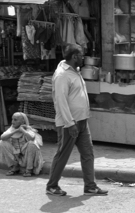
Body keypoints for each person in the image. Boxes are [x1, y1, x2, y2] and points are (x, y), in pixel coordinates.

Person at [46, 44, 108, 197]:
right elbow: (61, 101)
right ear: (74, 57)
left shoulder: (75, 71)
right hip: (69, 123)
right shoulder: (62, 75)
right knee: (63, 155)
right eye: (81, 55)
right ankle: (52, 185)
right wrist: (70, 123)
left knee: (88, 153)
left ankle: (90, 186)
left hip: (81, 121)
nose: (83, 58)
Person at [0, 112, 44, 177]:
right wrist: (16, 131)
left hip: (26, 155)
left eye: (15, 120)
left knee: (32, 144)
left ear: (22, 121)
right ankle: (15, 166)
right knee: (2, 142)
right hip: (16, 155)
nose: (12, 122)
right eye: (12, 119)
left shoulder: (28, 128)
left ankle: (29, 169)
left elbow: (32, 138)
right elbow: (2, 137)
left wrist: (23, 130)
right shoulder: (12, 128)